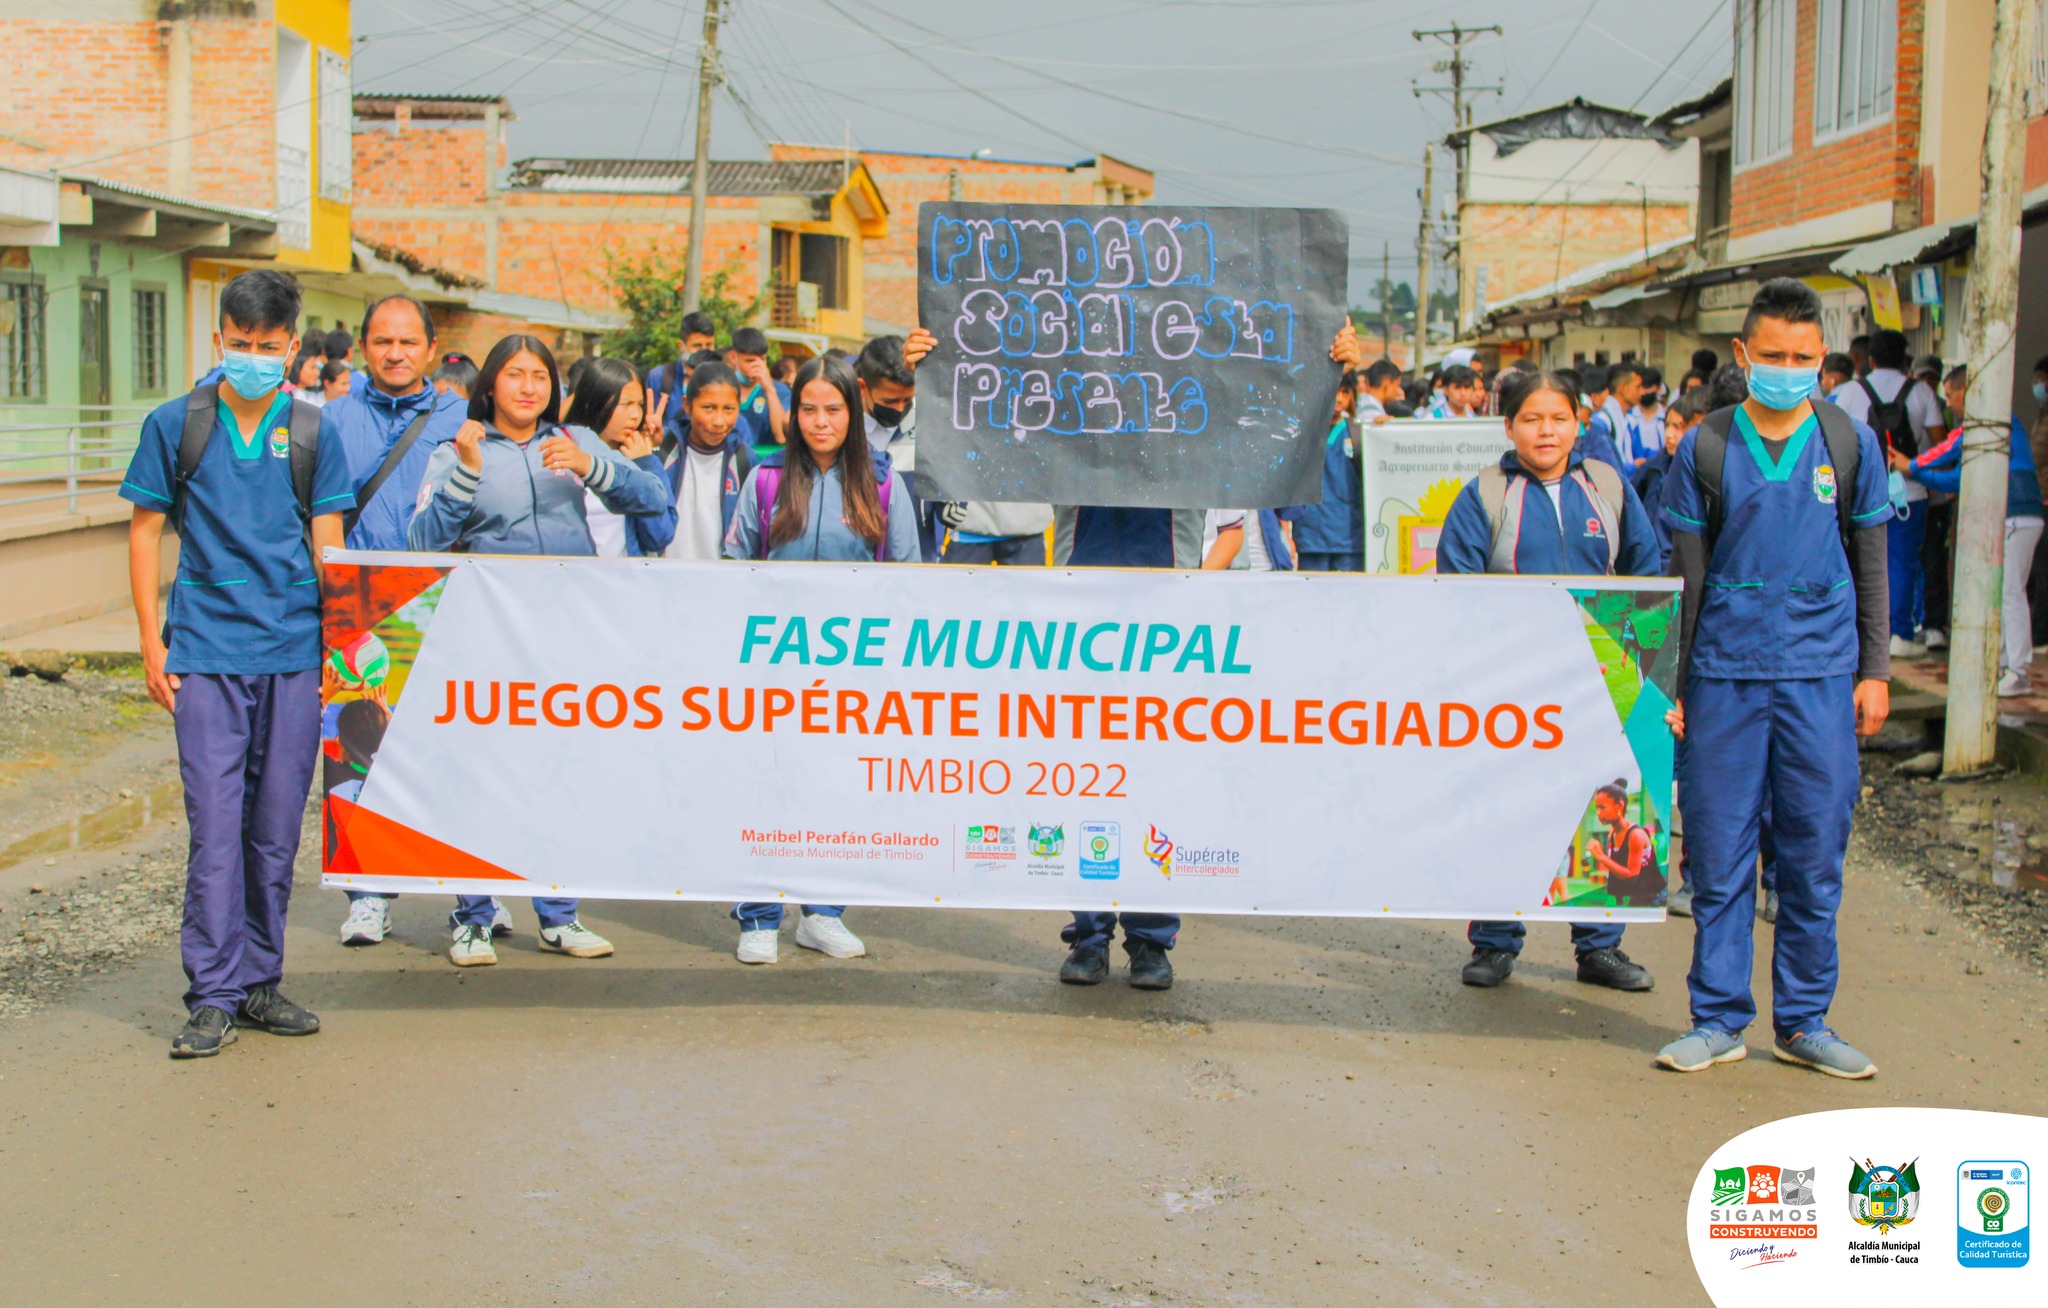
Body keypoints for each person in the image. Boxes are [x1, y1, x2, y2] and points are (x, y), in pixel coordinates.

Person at [907, 322, 1363, 990]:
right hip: (1081, 635)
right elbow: (984, 428)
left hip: (1168, 638)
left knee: (1161, 784)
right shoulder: (1065, 434)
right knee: (1085, 780)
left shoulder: (1201, 434)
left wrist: (1333, 372)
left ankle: (1151, 938)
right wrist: (935, 366)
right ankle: (1088, 933)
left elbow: (1271, 453)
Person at [1656, 278, 1892, 1080]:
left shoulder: (1851, 443)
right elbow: (1684, 574)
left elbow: (1871, 565)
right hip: (1724, 673)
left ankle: (1805, 1021)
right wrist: (1674, 685)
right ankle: (1717, 1018)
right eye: (1772, 356)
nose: (1787, 368)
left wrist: (1877, 671)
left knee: (1812, 850)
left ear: (1821, 358)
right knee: (1719, 852)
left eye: (1802, 357)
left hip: (1821, 678)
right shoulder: (1707, 446)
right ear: (1743, 354)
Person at [120, 269, 354, 1058]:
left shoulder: (316, 431)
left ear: (293, 348)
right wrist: (153, 643)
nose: (250, 356)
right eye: (238, 343)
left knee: (274, 828)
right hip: (206, 655)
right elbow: (145, 531)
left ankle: (261, 983)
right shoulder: (175, 423)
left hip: (292, 654)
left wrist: (341, 654)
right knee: (215, 828)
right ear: (218, 339)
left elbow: (330, 549)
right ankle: (212, 994)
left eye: (266, 346)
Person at [409, 334, 670, 967]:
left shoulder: (577, 442)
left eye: (540, 376)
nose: (529, 386)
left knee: (560, 772)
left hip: (566, 634)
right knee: (480, 775)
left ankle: (559, 914)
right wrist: (466, 477)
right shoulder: (456, 450)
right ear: (491, 384)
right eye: (515, 374)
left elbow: (655, 502)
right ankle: (472, 917)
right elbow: (419, 541)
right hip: (487, 636)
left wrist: (593, 469)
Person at [1435, 368, 1660, 993]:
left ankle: (1599, 946)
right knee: (1505, 806)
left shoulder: (1608, 488)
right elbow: (1453, 589)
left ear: (1577, 424)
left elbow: (1646, 576)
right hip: (1514, 688)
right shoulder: (1484, 494)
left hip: (1598, 684)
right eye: (1532, 419)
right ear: (1508, 426)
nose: (1546, 430)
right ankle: (1495, 941)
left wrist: (1636, 674)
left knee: (1603, 803)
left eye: (1558, 418)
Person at [721, 357, 921, 965]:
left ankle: (823, 913)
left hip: (852, 678)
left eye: (833, 409)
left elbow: (907, 577)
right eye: (807, 408)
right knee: (768, 789)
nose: (819, 421)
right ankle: (758, 917)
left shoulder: (884, 483)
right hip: (773, 674)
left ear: (853, 412)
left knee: (838, 791)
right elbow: (734, 566)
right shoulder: (765, 478)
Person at [322, 295, 475, 948]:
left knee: (458, 752)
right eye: (382, 341)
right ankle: (368, 895)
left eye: (408, 343)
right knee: (358, 756)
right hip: (356, 605)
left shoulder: (462, 417)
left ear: (431, 350)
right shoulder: (328, 421)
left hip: (447, 599)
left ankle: (474, 899)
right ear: (362, 348)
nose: (395, 353)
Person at [1896, 366, 2044, 696]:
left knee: (2009, 593)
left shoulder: (1991, 417)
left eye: (1950, 395)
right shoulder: (1991, 428)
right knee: (2005, 591)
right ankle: (2006, 664)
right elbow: (1957, 477)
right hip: (2016, 515)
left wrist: (1913, 465)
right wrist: (1916, 471)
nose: (1949, 404)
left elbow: (1949, 448)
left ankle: (2017, 671)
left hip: (2016, 513)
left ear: (1967, 390)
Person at [1832, 328, 1944, 658]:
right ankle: (1900, 635)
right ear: (1904, 358)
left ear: (1870, 359)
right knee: (1903, 564)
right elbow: (1941, 445)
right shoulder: (1922, 392)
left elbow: (1837, 443)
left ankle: (1857, 633)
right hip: (1910, 493)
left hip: (1861, 494)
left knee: (1857, 562)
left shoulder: (1850, 392)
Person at [564, 357, 677, 558]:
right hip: (575, 578)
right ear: (594, 402)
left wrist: (646, 464)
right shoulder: (566, 452)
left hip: (625, 580)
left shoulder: (643, 459)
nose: (635, 415)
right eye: (625, 404)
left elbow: (660, 536)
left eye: (639, 404)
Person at [856, 334, 942, 563]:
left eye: (907, 400)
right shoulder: (844, 432)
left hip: (919, 559)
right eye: (889, 401)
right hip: (859, 562)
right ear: (863, 388)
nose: (900, 408)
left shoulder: (930, 426)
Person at [662, 360, 752, 562]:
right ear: (687, 405)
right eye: (708, 408)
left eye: (729, 409)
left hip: (722, 581)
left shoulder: (744, 460)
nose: (719, 421)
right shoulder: (664, 452)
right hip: (666, 577)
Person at [1291, 369, 1364, 571]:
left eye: (1345, 392)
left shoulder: (1359, 432)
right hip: (1311, 533)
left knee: (1349, 598)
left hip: (1350, 535)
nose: (1339, 398)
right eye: (1334, 391)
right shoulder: (1303, 431)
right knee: (1313, 599)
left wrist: (1382, 430)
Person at [645, 310, 719, 441]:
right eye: (697, 346)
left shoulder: (722, 378)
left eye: (709, 345)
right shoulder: (660, 377)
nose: (703, 350)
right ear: (681, 346)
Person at [728, 327, 790, 449]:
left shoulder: (780, 390)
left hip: (766, 463)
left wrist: (769, 390)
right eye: (750, 361)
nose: (758, 366)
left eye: (762, 359)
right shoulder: (725, 388)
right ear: (734, 357)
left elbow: (781, 437)